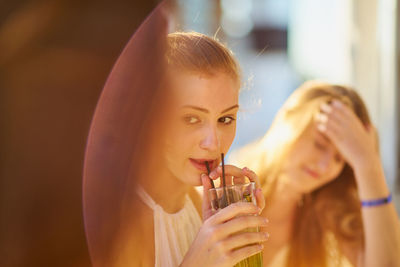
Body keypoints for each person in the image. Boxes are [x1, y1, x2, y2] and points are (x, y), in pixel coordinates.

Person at [83, 4, 267, 267]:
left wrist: (241, 253)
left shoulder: (205, 210)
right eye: (191, 119)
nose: (213, 143)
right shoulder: (114, 222)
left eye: (225, 119)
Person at [230, 81, 400, 267]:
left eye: (339, 159)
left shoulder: (331, 215)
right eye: (320, 144)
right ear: (288, 120)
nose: (324, 165)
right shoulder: (230, 188)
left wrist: (368, 165)